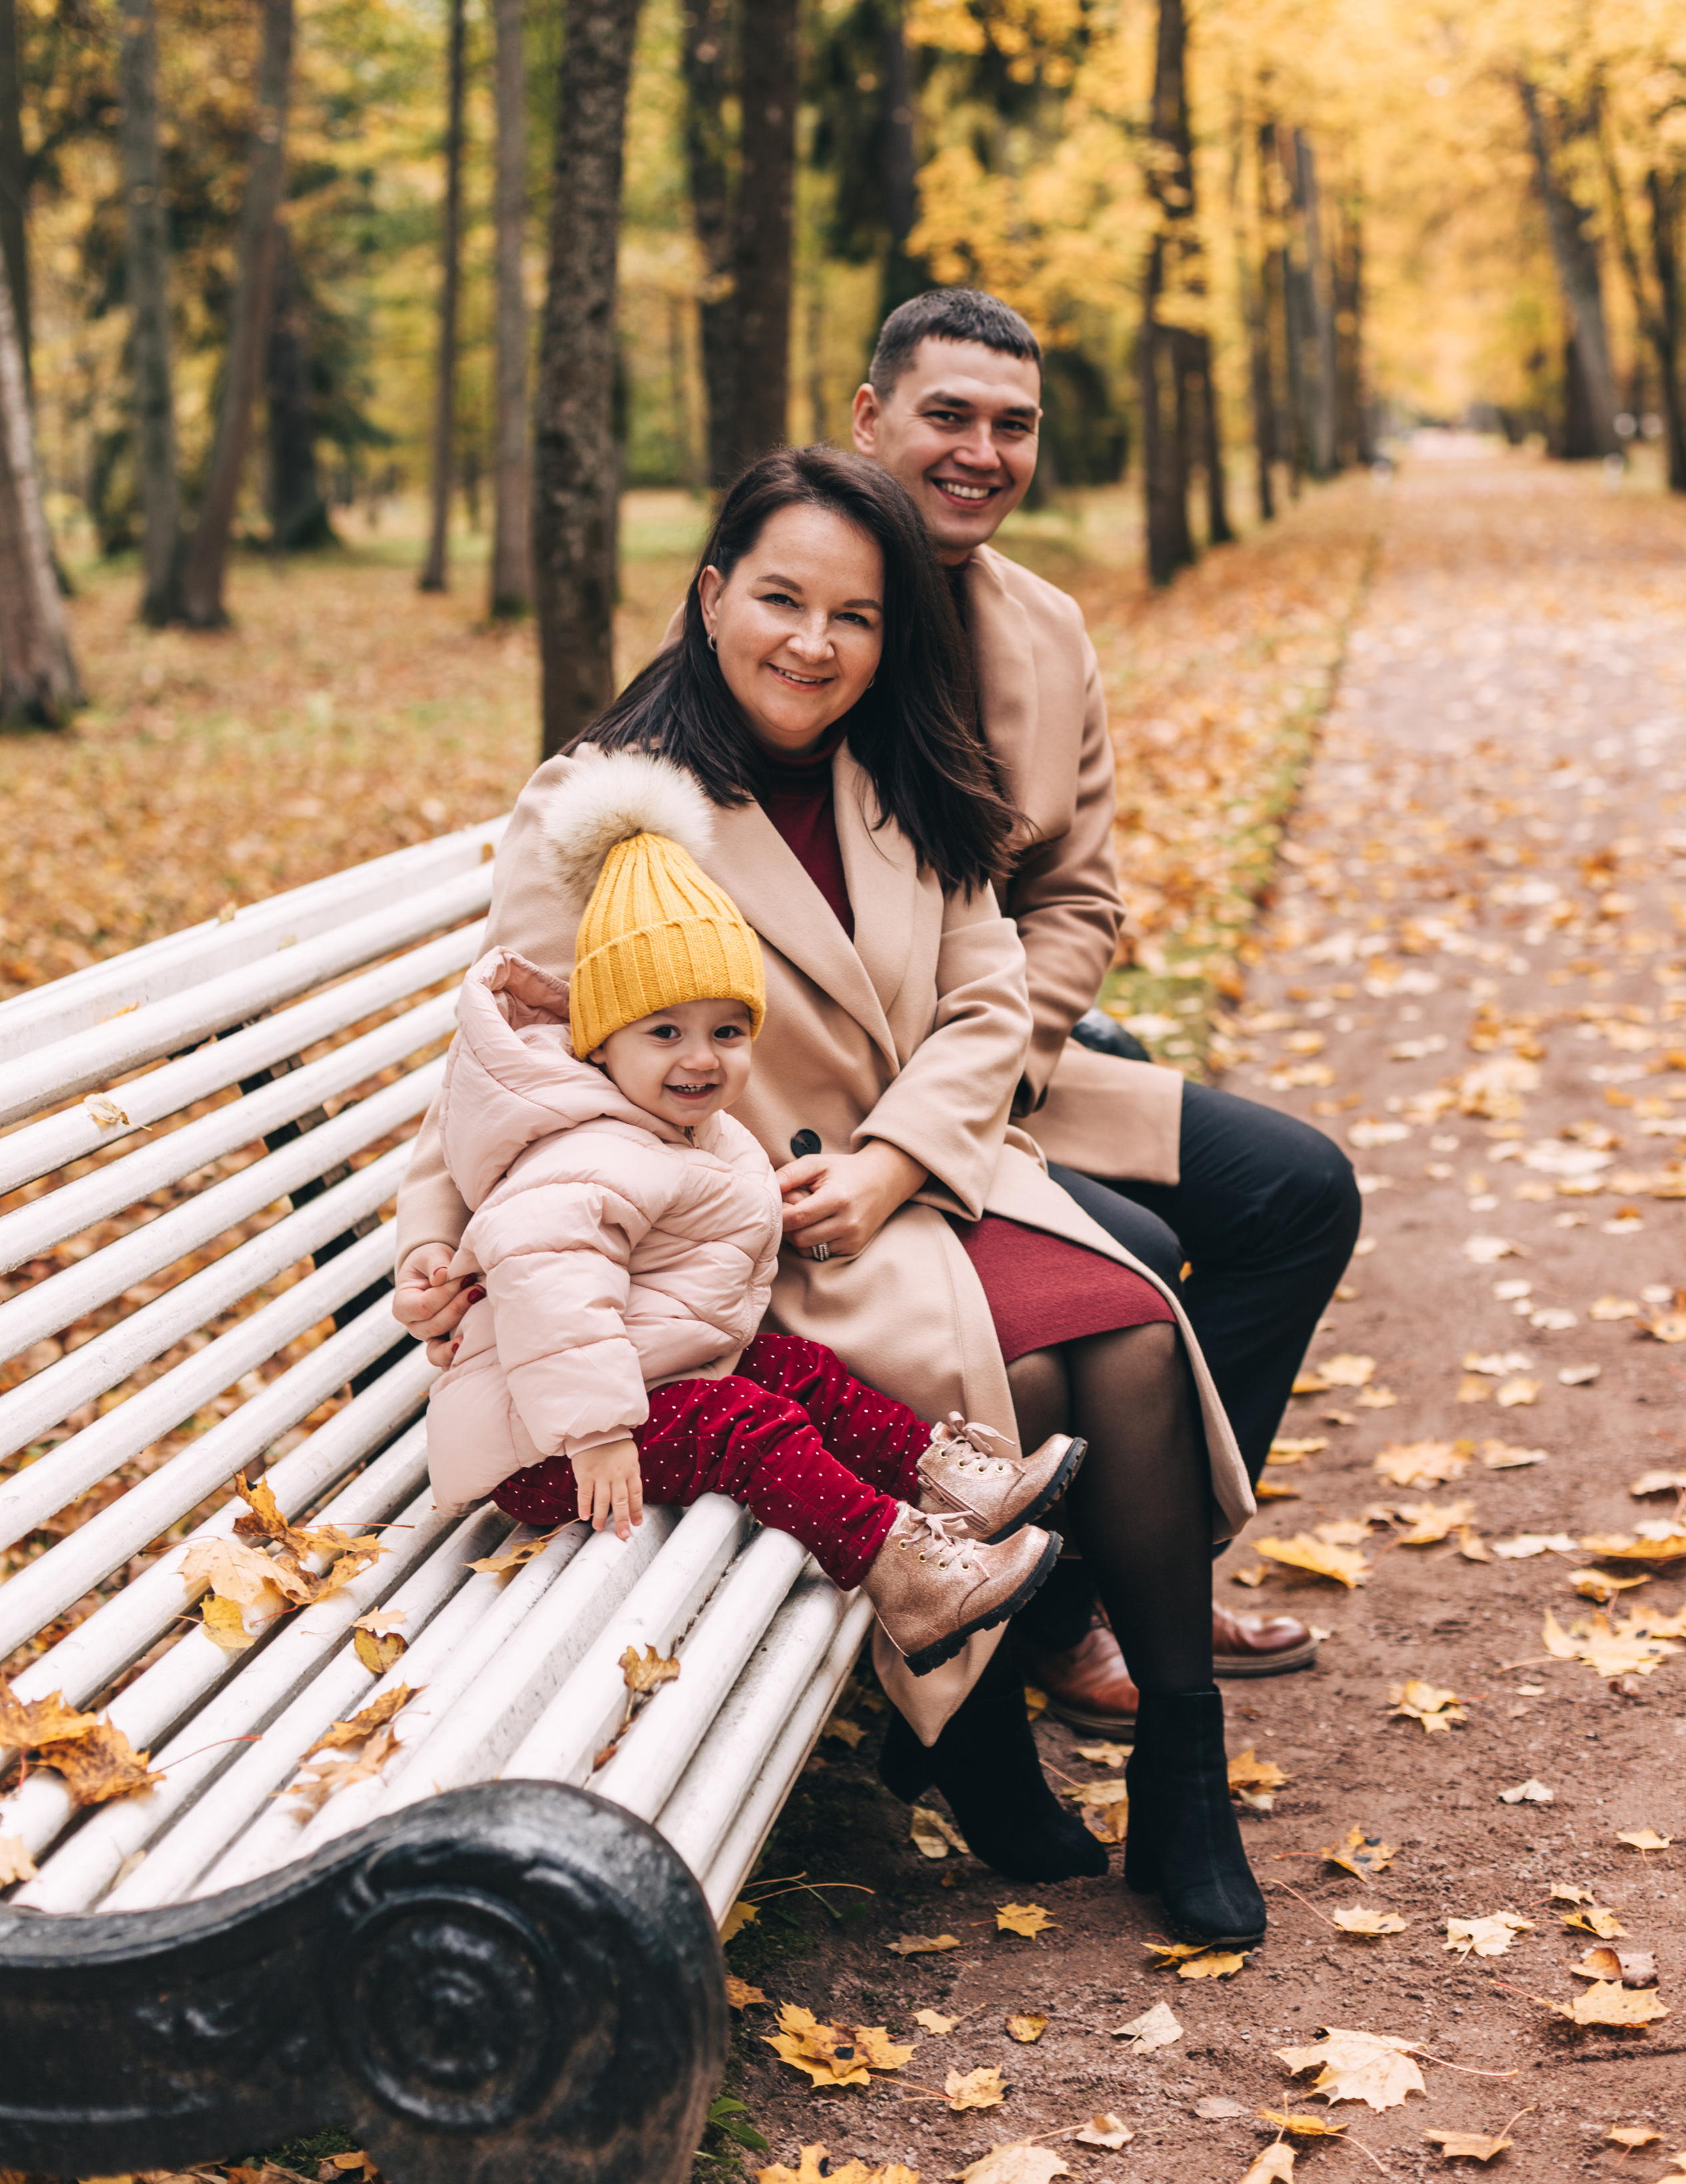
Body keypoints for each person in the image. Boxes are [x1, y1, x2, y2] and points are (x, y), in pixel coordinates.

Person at [393, 447, 1265, 1944]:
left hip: (908, 1179)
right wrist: (432, 1234)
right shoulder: (604, 810)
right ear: (711, 595)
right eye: (779, 600)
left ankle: (1186, 1776)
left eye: (852, 617)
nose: (811, 644)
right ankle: (976, 1745)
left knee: (1125, 1324)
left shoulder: (904, 776)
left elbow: (989, 1006)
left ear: (888, 639)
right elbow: (505, 1052)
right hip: (720, 1229)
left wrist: (890, 1161)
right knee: (1058, 1358)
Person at [849, 287, 1362, 1733]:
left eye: (1011, 425)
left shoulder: (1044, 627)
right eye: (945, 415)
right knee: (1126, 1254)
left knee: (1297, 1190)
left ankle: (1146, 1574)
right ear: (868, 417)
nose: (978, 451)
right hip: (844, 1103)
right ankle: (1084, 1620)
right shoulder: (801, 603)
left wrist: (1004, 1061)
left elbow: (1077, 896)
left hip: (1014, 1068)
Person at [424, 751, 1081, 1681]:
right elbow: (545, 1281)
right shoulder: (580, 1149)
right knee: (742, 1423)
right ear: (600, 1039)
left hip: (629, 1393)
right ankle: (907, 1575)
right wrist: (600, 1430)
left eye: (727, 1031)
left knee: (794, 1370)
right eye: (665, 1032)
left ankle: (953, 1482)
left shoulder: (677, 1131)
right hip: (549, 1445)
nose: (701, 1059)